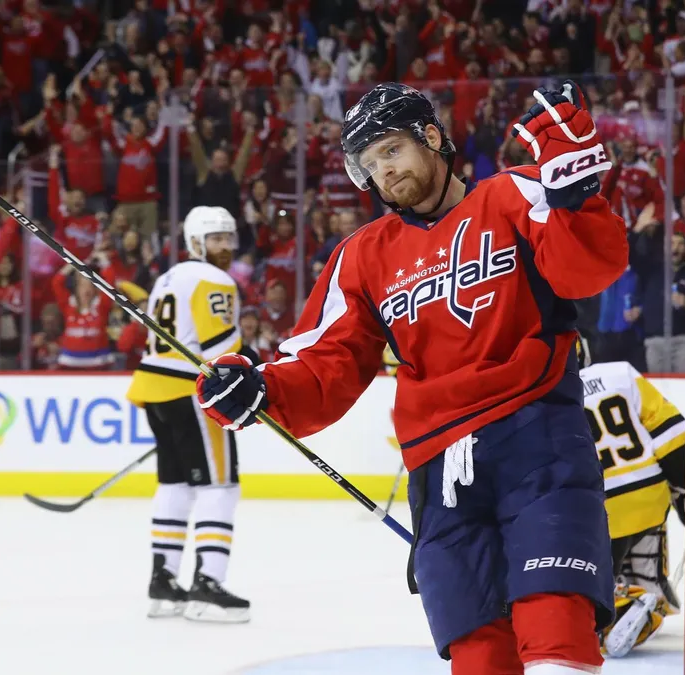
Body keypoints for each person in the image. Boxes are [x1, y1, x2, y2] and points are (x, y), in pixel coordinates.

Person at [196, 81, 628, 674]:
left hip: (538, 440)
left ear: (431, 137)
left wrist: (575, 198)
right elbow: (326, 360)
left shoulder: (513, 194)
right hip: (438, 469)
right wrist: (264, 390)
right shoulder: (363, 255)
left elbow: (588, 271)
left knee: (555, 634)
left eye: (392, 151)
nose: (385, 173)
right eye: (371, 164)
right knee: (479, 657)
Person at [126, 206, 249, 623]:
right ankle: (208, 586)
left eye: (228, 238)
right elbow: (220, 350)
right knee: (220, 487)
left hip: (155, 391)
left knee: (175, 484)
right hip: (191, 393)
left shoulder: (169, 277)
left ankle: (163, 583)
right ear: (196, 242)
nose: (225, 247)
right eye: (216, 239)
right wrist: (254, 365)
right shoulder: (216, 280)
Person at [577, 345, 685, 658]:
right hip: (650, 500)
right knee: (645, 526)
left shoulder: (550, 394)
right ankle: (651, 589)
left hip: (597, 511)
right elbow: (672, 436)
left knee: (586, 591)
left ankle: (619, 606)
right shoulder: (620, 373)